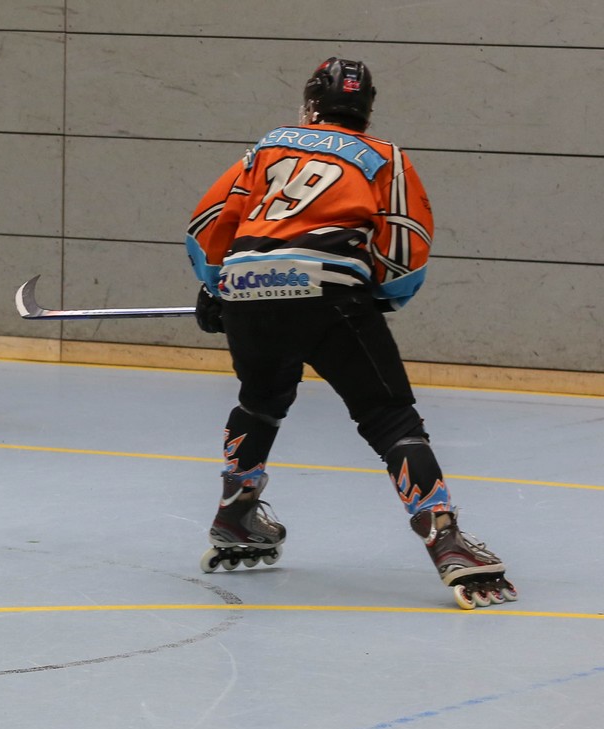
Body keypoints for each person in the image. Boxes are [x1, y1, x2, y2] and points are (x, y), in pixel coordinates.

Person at [183, 57, 516, 610]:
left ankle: (235, 516)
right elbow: (405, 242)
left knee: (260, 400)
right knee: (389, 417)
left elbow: (209, 220)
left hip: (248, 288)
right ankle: (445, 538)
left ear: (311, 104)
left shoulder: (268, 146)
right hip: (330, 292)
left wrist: (216, 286)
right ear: (366, 108)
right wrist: (384, 292)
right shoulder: (384, 156)